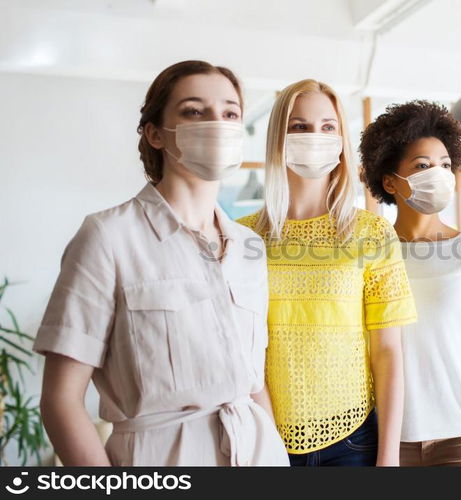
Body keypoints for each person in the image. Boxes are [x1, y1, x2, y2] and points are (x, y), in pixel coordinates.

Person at [34, 60, 289, 466]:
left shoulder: (248, 246)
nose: (216, 124)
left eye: (230, 113)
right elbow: (60, 401)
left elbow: (253, 383)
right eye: (193, 111)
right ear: (155, 134)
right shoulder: (107, 237)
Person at [237, 79, 417, 466]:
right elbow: (242, 352)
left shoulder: (372, 232)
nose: (314, 136)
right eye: (299, 126)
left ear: (340, 142)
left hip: (354, 442)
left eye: (327, 126)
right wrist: (268, 442)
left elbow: (388, 352)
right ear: (278, 139)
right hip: (265, 438)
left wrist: (389, 458)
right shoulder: (242, 237)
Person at [359, 100, 461, 466]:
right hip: (387, 442)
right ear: (389, 181)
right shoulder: (369, 256)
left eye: (445, 165)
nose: (438, 174)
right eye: (422, 166)